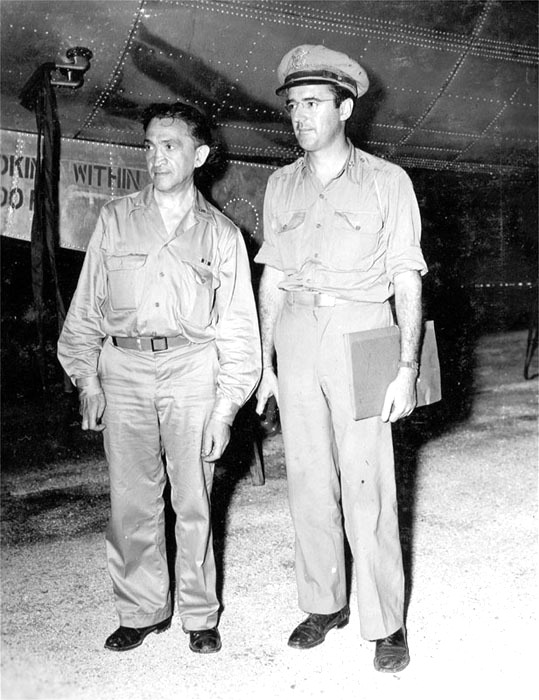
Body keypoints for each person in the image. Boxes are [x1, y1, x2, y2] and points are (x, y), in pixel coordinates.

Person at [58, 102, 261, 654]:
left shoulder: (222, 234)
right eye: (149, 146)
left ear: (199, 155)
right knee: (131, 500)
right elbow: (85, 310)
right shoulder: (115, 219)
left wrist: (225, 409)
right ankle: (141, 609)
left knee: (194, 496)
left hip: (192, 369)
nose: (156, 157)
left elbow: (239, 329)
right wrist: (88, 380)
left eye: (169, 146)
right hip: (122, 370)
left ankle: (199, 614)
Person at [255, 45, 427, 673]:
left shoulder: (388, 182)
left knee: (369, 486)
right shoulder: (279, 184)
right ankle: (323, 603)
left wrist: (405, 368)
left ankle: (386, 620)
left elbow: (407, 279)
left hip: (364, 332)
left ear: (345, 108)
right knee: (307, 480)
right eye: (293, 105)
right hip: (297, 332)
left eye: (313, 104)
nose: (300, 116)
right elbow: (271, 277)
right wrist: (266, 365)